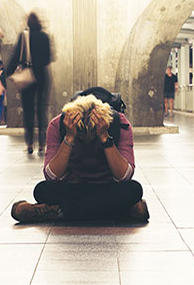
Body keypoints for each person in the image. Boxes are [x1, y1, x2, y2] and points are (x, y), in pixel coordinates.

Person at [10, 93, 148, 223]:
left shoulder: (119, 124)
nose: (87, 139)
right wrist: (70, 137)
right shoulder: (58, 125)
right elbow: (52, 176)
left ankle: (55, 211)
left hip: (106, 187)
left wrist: (104, 137)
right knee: (42, 190)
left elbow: (124, 176)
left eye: (92, 134)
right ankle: (122, 211)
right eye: (82, 134)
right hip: (73, 187)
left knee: (134, 189)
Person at [6, 12, 53, 156]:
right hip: (42, 75)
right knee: (41, 110)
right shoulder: (45, 36)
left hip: (27, 75)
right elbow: (49, 57)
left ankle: (30, 143)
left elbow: (16, 56)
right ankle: (42, 144)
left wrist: (8, 72)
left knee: (28, 111)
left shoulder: (24, 36)